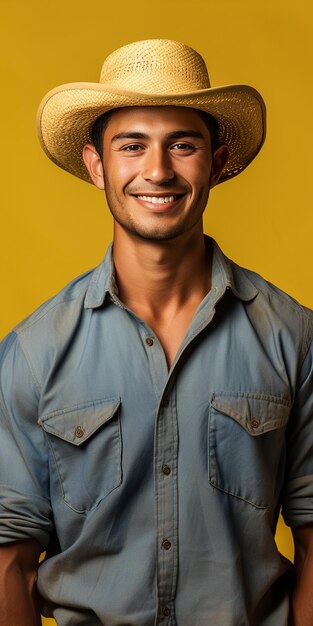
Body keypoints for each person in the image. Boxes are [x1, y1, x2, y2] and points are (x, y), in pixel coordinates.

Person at [0, 39, 312, 626]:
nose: (158, 170)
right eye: (132, 145)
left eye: (183, 145)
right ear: (97, 166)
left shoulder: (292, 337)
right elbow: (7, 558)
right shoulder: (34, 354)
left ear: (217, 162)